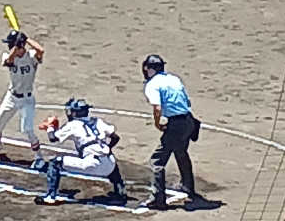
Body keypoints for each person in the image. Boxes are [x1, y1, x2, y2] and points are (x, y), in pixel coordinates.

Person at [35, 98, 127, 206]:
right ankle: (120, 191)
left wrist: (50, 127)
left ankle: (50, 197)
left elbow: (53, 138)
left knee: (55, 162)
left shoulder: (73, 125)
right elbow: (115, 138)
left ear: (74, 112)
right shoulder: (97, 121)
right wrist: (107, 148)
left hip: (92, 164)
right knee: (110, 158)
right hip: (110, 165)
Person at [140, 54, 201, 211]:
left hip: (177, 125)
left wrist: (157, 123)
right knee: (181, 152)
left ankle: (158, 199)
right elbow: (187, 101)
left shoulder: (152, 85)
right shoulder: (174, 79)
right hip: (189, 121)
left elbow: (157, 107)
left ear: (149, 69)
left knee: (157, 161)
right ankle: (188, 186)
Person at [0, 29, 45, 168]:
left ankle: (39, 156)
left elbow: (41, 50)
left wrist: (26, 39)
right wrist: (16, 46)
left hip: (27, 100)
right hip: (11, 97)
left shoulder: (31, 57)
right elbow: (9, 61)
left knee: (28, 130)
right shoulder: (7, 56)